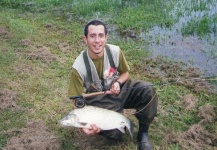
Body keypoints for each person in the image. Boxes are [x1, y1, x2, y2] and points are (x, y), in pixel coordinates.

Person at [68, 20, 158, 150]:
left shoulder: (115, 51)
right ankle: (119, 125)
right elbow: (76, 100)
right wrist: (83, 125)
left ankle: (143, 132)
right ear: (85, 39)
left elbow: (125, 73)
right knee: (116, 133)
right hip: (100, 101)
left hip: (121, 90)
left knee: (148, 90)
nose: (97, 41)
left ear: (106, 37)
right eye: (92, 36)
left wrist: (118, 82)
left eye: (101, 35)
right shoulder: (78, 67)